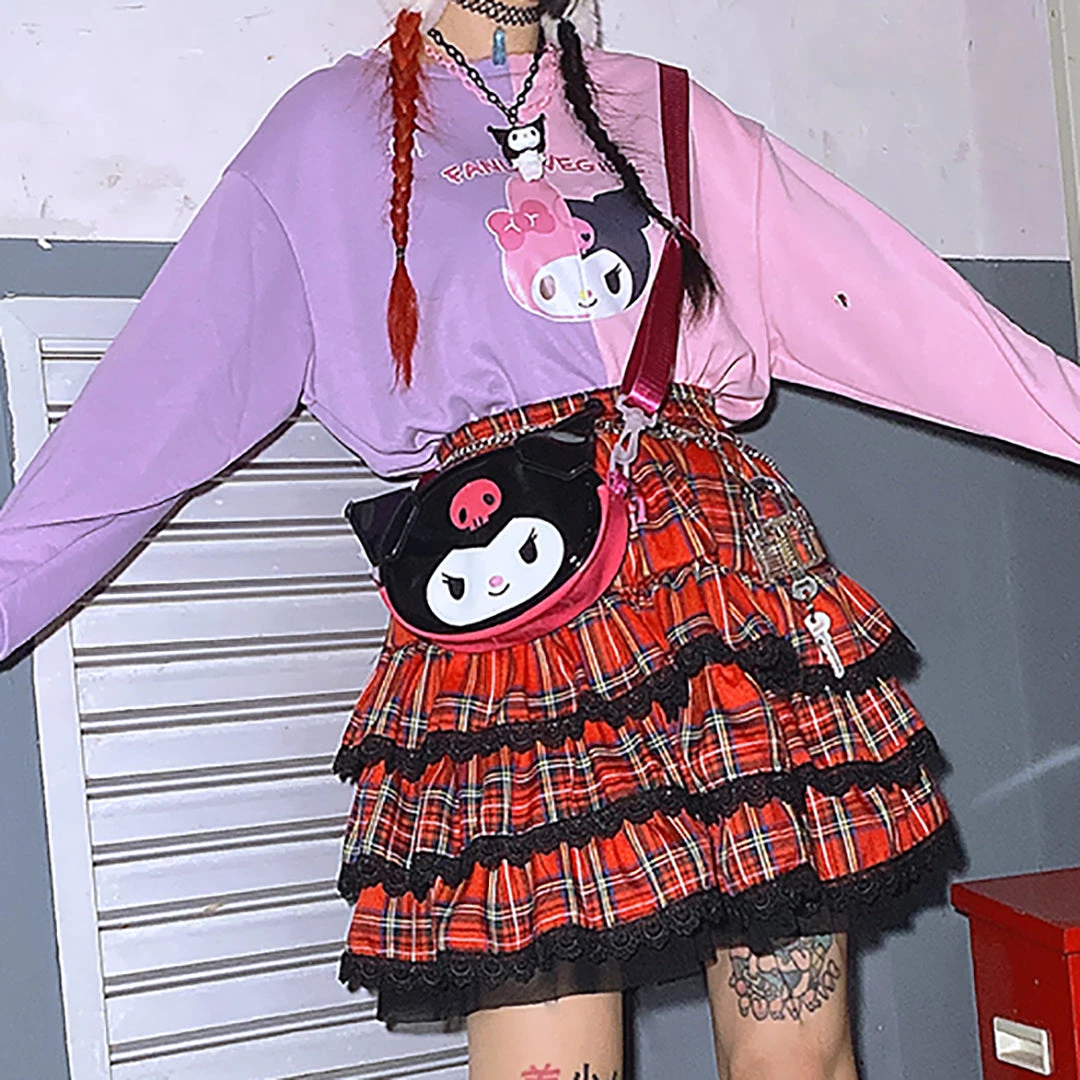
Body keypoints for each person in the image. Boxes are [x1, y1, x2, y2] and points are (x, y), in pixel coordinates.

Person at [1, 1, 1079, 1077]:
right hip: (510, 614)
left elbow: (910, 312)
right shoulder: (327, 135)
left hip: (718, 588)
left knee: (794, 1058)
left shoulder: (663, 110)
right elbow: (142, 420)